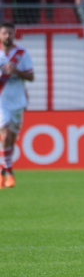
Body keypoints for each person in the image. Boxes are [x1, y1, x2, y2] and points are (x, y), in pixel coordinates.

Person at [0, 22, 35, 189]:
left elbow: (31, 77)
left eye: (10, 33)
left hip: (18, 103)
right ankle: (11, 174)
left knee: (10, 141)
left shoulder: (22, 53)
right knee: (5, 136)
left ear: (14, 35)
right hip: (1, 102)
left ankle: (1, 172)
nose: (7, 36)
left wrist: (16, 71)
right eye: (4, 33)